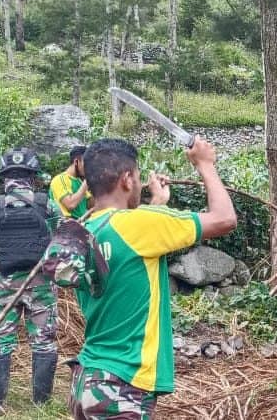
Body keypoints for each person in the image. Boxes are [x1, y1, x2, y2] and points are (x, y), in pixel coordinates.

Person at [68, 137, 236, 419]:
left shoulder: (85, 230)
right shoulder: (140, 225)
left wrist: (158, 202)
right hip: (123, 383)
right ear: (126, 180)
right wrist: (206, 165)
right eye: (136, 174)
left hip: (88, 379)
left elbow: (133, 241)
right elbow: (224, 218)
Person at [0, 147, 63, 415]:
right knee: (44, 341)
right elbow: (58, 240)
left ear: (5, 178)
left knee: (0, 341)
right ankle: (41, 405)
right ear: (33, 177)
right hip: (42, 286)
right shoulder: (47, 204)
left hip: (5, 285)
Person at [50, 145, 91, 219]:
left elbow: (91, 205)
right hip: (66, 227)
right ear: (76, 162)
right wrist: (87, 181)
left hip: (81, 225)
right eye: (86, 164)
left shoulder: (80, 182)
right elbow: (70, 204)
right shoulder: (59, 179)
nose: (88, 167)